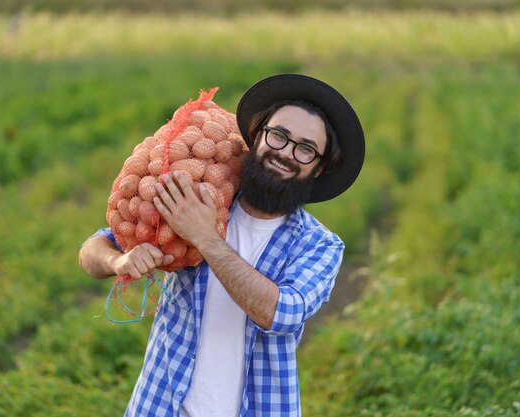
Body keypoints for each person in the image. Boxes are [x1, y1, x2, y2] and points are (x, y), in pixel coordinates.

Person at [79, 74, 365, 417]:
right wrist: (118, 262)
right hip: (161, 405)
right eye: (279, 136)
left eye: (305, 148)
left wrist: (205, 238)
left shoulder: (319, 245)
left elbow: (280, 313)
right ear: (258, 137)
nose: (286, 153)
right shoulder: (204, 196)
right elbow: (92, 249)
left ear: (318, 168)